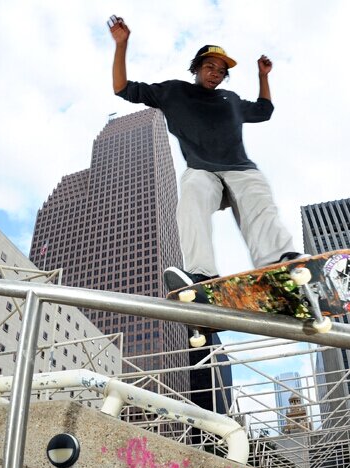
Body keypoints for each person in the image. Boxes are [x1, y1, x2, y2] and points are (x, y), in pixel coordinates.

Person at [108, 15, 303, 292]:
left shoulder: (231, 100)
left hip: (240, 169)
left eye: (221, 71)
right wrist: (121, 45)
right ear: (197, 68)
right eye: (209, 67)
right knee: (191, 195)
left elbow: (264, 110)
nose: (215, 73)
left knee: (258, 200)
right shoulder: (173, 91)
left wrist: (262, 76)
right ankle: (201, 274)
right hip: (202, 170)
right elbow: (122, 88)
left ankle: (279, 263)